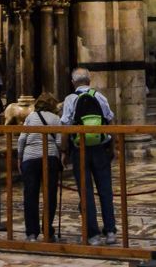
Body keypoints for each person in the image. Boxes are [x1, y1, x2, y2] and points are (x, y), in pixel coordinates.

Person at [60, 68, 116, 246]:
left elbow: (65, 127)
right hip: (100, 148)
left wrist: (64, 151)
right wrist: (112, 147)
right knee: (105, 190)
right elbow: (110, 121)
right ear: (89, 81)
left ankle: (93, 235)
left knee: (86, 192)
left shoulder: (70, 100)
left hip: (80, 150)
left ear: (73, 82)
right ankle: (111, 231)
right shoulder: (100, 97)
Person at [17, 91, 62, 242]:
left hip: (30, 158)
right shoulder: (56, 119)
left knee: (30, 195)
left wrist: (20, 157)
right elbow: (60, 142)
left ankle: (31, 233)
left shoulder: (30, 117)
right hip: (49, 158)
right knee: (50, 195)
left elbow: (22, 139)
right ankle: (48, 231)